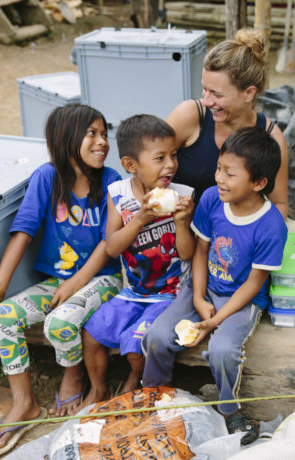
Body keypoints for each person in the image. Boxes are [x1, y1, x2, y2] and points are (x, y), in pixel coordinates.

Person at [0, 104, 123, 456]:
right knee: (4, 317)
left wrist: (75, 284)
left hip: (104, 279)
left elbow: (108, 243)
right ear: (66, 138)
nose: (102, 142)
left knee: (59, 323)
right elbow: (23, 229)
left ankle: (73, 375)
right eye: (92, 133)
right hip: (57, 280)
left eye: (104, 134)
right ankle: (23, 402)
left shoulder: (112, 180)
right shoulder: (48, 177)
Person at [142, 126, 288, 445]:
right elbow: (201, 251)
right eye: (219, 168)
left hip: (240, 299)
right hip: (203, 285)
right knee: (157, 336)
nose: (219, 178)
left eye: (230, 173)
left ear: (259, 183)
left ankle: (229, 409)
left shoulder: (272, 225)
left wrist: (214, 321)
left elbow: (253, 283)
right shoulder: (211, 199)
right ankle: (154, 394)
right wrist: (197, 297)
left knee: (222, 350)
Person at [80, 114, 195, 408]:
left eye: (173, 155)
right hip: (134, 292)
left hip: (170, 294)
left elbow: (186, 254)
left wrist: (182, 222)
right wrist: (141, 218)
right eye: (159, 158)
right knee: (92, 333)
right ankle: (97, 388)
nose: (170, 164)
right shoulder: (118, 195)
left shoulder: (182, 196)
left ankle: (134, 381)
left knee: (135, 346)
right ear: (131, 165)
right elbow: (112, 247)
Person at [166, 28, 289, 219]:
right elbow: (149, 162)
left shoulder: (271, 138)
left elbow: (278, 203)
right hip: (173, 230)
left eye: (216, 94)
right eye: (204, 89)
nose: (206, 101)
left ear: (248, 93)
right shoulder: (190, 115)